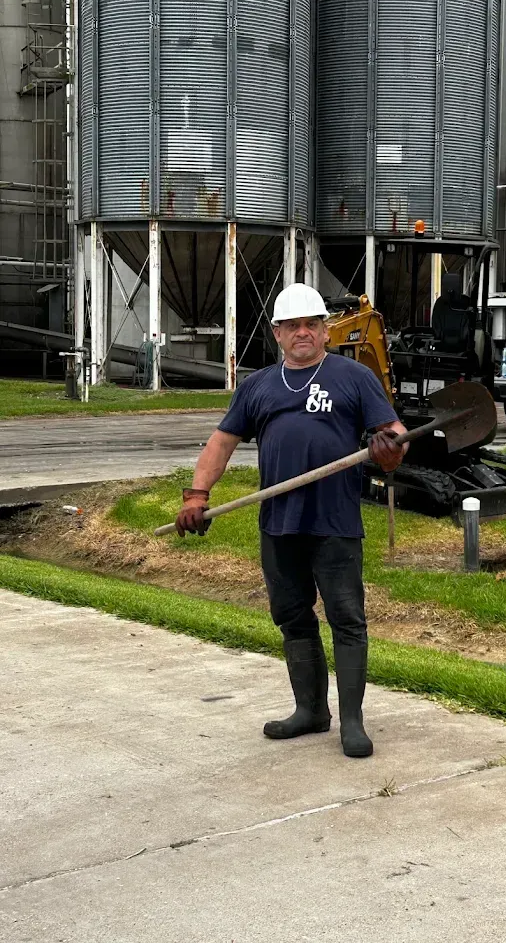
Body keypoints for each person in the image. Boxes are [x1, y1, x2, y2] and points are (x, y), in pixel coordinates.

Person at [175, 283, 407, 758]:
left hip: (335, 521)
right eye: (292, 326)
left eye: (312, 325)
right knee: (293, 618)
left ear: (326, 331)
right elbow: (220, 444)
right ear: (277, 334)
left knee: (347, 620)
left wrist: (391, 446)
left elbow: (394, 434)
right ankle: (310, 711)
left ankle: (351, 723)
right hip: (279, 524)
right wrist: (198, 493)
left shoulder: (353, 376)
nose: (303, 333)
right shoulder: (258, 386)